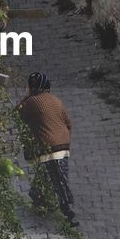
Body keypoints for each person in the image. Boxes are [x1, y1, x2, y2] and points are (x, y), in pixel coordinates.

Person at [17, 71, 75, 224]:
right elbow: (68, 123)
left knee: (58, 178)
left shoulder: (29, 103)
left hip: (49, 146)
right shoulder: (56, 100)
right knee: (50, 172)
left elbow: (18, 114)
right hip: (63, 143)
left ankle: (67, 210)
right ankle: (37, 195)